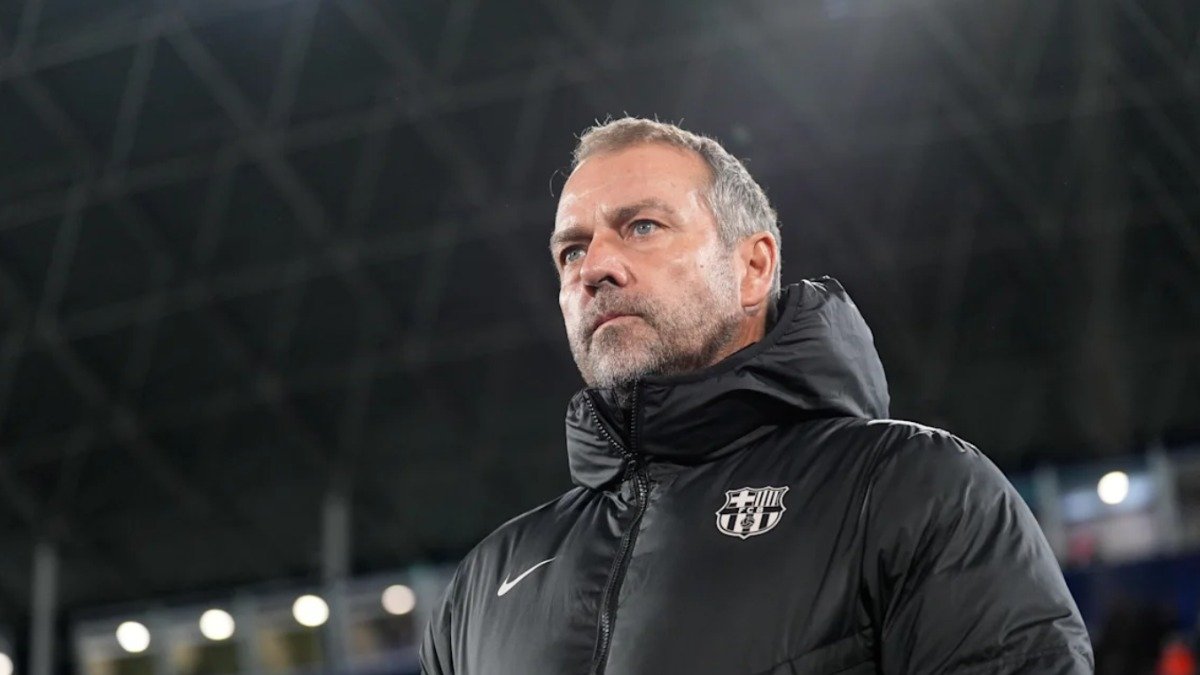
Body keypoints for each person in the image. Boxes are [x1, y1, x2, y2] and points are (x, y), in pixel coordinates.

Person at [419, 117, 1094, 674]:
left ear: (753, 266)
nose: (595, 267)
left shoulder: (910, 491)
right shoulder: (482, 587)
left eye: (642, 226)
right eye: (571, 251)